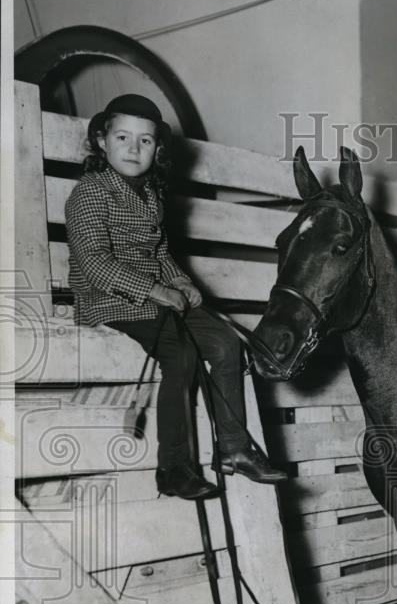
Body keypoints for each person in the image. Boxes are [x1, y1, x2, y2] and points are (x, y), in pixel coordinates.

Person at [65, 94, 286, 498]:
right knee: (181, 354)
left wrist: (184, 284)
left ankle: (234, 448)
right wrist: (155, 290)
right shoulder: (91, 193)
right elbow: (94, 263)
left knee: (224, 344)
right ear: (101, 141)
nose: (133, 148)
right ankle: (174, 468)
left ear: (157, 148)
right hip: (110, 301)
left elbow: (161, 254)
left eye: (145, 141)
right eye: (122, 137)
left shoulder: (151, 194)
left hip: (158, 299)